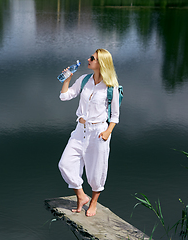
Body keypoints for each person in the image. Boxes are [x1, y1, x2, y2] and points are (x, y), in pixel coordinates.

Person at [58, 49, 120, 217]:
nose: (88, 59)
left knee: (96, 171)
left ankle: (93, 202)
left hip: (99, 132)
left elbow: (115, 116)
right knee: (65, 164)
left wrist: (108, 131)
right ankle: (81, 196)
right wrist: (68, 79)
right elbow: (64, 96)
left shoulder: (111, 87)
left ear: (101, 64)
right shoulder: (84, 80)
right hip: (80, 130)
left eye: (92, 58)